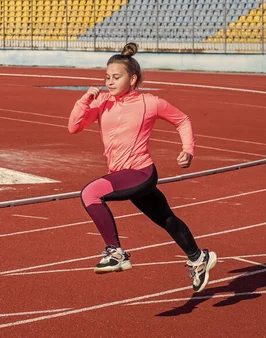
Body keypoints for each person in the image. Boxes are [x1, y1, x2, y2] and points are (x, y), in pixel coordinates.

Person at [68, 42, 217, 292]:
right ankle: (198, 258)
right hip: (124, 175)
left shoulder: (150, 102)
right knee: (166, 219)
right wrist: (84, 100)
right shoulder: (102, 101)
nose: (110, 82)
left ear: (133, 78)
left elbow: (182, 120)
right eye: (107, 77)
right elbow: (74, 126)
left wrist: (188, 150)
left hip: (141, 173)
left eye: (116, 77)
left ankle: (115, 252)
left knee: (90, 193)